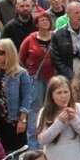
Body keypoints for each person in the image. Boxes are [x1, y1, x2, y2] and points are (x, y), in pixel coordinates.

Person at [0, 38, 32, 160]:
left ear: (9, 53)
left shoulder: (21, 73)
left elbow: (26, 98)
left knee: (11, 155)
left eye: (1, 52)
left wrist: (22, 120)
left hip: (11, 120)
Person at [18, 12, 56, 149]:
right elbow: (20, 59)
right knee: (34, 109)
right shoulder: (30, 39)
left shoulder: (56, 37)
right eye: (42, 20)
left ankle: (50, 140)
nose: (45, 22)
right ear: (37, 23)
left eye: (47, 19)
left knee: (52, 108)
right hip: (35, 78)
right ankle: (33, 144)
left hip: (53, 78)